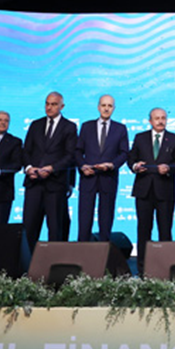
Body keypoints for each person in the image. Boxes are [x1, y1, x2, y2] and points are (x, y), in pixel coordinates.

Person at [129, 107, 175, 275]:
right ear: (150, 121)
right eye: (157, 118)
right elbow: (131, 158)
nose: (160, 121)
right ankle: (142, 269)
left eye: (163, 118)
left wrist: (169, 168)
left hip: (165, 191)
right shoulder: (140, 138)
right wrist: (135, 166)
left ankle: (165, 268)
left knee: (165, 230)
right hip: (144, 191)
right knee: (143, 230)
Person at [22, 92, 78, 251]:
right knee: (29, 227)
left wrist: (52, 168)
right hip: (34, 183)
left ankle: (54, 262)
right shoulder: (36, 124)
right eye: (47, 103)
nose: (49, 107)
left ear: (62, 106)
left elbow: (70, 155)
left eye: (53, 104)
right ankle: (27, 262)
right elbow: (26, 151)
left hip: (55, 184)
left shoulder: (69, 127)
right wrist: (29, 168)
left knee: (55, 228)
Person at [75, 95, 128, 242]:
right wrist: (82, 166)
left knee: (106, 218)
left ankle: (104, 251)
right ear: (98, 107)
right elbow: (78, 151)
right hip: (88, 177)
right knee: (84, 218)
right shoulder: (86, 126)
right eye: (104, 105)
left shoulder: (120, 128)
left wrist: (112, 165)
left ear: (114, 108)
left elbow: (124, 153)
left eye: (109, 106)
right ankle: (82, 250)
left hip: (108, 178)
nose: (106, 109)